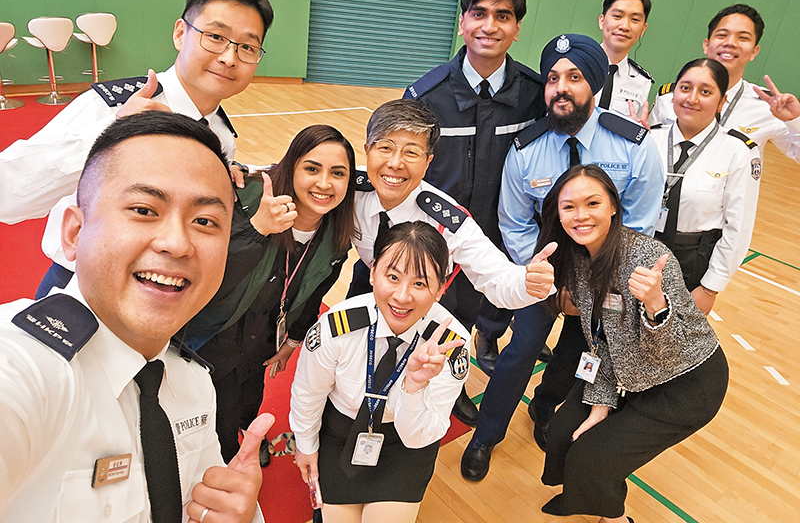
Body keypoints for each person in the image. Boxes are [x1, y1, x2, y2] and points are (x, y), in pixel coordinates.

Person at [0, 112, 272, 522]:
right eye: (144, 210)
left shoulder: (192, 382)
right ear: (73, 234)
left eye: (204, 221)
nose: (177, 243)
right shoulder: (25, 368)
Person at [461, 34, 664, 481]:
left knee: (576, 352)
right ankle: (485, 436)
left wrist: (596, 282)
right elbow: (515, 222)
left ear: (594, 83)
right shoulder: (527, 148)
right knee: (520, 351)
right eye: (552, 78)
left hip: (605, 269)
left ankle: (545, 407)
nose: (560, 88)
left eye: (574, 77)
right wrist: (545, 279)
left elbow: (640, 222)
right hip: (545, 267)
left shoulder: (632, 144)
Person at [0, 0, 274, 298]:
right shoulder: (114, 107)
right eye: (215, 37)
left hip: (164, 288)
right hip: (82, 287)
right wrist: (113, 134)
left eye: (247, 47)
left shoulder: (220, 136)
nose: (230, 58)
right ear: (180, 34)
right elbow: (7, 196)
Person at [346, 99, 557, 426]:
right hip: (371, 294)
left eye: (411, 152)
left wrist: (527, 282)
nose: (395, 163)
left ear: (428, 162)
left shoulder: (446, 219)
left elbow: (496, 276)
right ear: (367, 150)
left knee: (414, 398)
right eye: (385, 148)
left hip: (421, 310)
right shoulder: (349, 188)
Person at [535, 164, 728, 523]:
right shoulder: (576, 258)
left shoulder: (647, 258)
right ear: (557, 214)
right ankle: (583, 493)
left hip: (684, 384)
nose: (581, 215)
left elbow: (668, 354)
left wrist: (655, 304)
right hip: (626, 371)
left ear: (613, 206)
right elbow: (601, 338)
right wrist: (600, 402)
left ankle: (613, 517)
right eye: (569, 207)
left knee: (595, 458)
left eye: (592, 203)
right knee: (562, 432)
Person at [180, 125, 355, 465]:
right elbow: (203, 273)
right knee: (218, 408)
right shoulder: (246, 198)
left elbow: (317, 290)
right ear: (291, 166)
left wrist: (293, 339)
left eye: (338, 173)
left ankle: (249, 433)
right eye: (312, 168)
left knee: (250, 394)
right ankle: (226, 458)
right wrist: (257, 230)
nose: (324, 183)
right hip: (216, 331)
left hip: (264, 335)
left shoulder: (336, 234)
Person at [403, 0, 547, 374]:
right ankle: (425, 380)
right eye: (479, 14)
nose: (489, 26)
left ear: (517, 29)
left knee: (473, 309)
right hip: (438, 231)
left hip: (500, 230)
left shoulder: (534, 95)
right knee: (431, 313)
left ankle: (457, 374)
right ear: (463, 22)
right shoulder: (426, 97)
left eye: (503, 16)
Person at [289, 222, 470, 522]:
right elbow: (308, 391)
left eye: (420, 284)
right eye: (393, 277)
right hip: (340, 433)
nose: (402, 296)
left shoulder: (450, 346)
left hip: (404, 447)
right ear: (373, 272)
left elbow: (419, 437)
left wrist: (414, 387)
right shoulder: (336, 327)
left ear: (440, 289)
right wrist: (306, 445)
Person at [651, 58, 760, 314]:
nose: (692, 99)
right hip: (640, 248)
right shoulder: (650, 138)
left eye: (706, 92)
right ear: (674, 94)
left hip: (692, 261)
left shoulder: (737, 151)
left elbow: (738, 226)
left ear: (722, 102)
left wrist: (711, 287)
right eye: (685, 88)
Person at [649, 4, 800, 164]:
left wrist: (795, 120)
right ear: (706, 45)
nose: (731, 43)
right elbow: (649, 145)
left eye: (743, 38)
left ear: (754, 52)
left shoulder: (767, 106)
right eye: (722, 35)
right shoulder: (669, 96)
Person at [595, 0, 654, 122]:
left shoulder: (642, 82)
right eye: (617, 16)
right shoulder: (573, 65)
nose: (625, 26)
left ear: (643, 29)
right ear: (602, 21)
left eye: (635, 20)